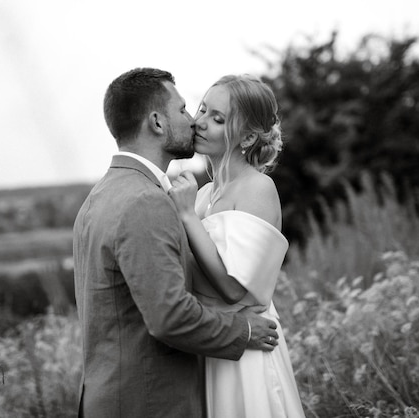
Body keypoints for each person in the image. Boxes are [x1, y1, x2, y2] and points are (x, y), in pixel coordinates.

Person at [73, 68, 280, 418]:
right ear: (156, 122)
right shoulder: (146, 201)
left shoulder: (99, 197)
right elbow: (169, 316)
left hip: (121, 395)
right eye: (186, 110)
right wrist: (243, 331)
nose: (193, 121)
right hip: (146, 402)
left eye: (211, 116)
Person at [168, 74, 305, 418]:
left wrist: (185, 215)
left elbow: (232, 287)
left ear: (246, 136)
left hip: (247, 353)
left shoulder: (257, 188)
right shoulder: (201, 195)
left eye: (218, 119)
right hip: (214, 344)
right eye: (202, 110)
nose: (199, 123)